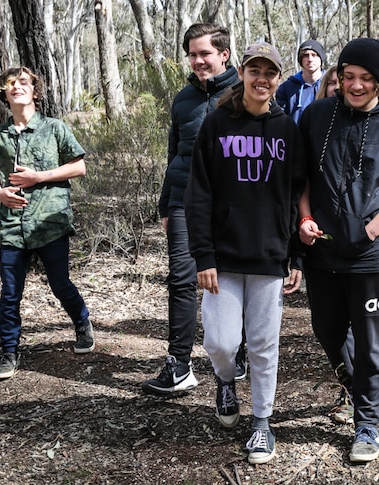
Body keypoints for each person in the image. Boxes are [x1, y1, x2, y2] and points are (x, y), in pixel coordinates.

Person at [298, 38, 379, 463]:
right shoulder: (317, 116)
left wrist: (371, 229)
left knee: (371, 343)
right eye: (348, 76)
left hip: (371, 254)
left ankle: (367, 425)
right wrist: (303, 219)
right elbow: (300, 179)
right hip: (322, 250)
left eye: (365, 79)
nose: (354, 86)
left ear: (378, 80)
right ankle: (353, 388)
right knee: (327, 330)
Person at [186, 41, 304, 464]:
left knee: (263, 343)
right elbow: (197, 193)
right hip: (223, 257)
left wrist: (296, 256)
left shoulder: (287, 128)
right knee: (220, 342)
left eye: (270, 72)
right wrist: (203, 256)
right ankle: (224, 380)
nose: (262, 79)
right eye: (254, 70)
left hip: (270, 256)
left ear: (277, 79)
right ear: (241, 73)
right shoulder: (217, 124)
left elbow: (295, 196)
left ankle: (261, 424)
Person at [143, 23, 241, 395]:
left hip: (232, 204)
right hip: (185, 200)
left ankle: (237, 351)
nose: (198, 60)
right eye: (192, 54)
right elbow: (175, 156)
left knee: (233, 278)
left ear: (223, 54)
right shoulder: (183, 99)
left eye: (205, 53)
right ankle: (179, 364)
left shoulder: (244, 94)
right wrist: (166, 205)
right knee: (182, 279)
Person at [0, 66, 94, 381]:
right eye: (11, 84)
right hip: (12, 226)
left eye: (24, 83)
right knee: (10, 292)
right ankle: (9, 352)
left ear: (35, 91)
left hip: (49, 221)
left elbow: (79, 166)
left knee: (60, 284)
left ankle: (82, 322)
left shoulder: (54, 128)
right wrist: (0, 193)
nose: (17, 87)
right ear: (4, 94)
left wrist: (38, 177)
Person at [276, 40, 326, 123]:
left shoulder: (331, 84)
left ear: (321, 58)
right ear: (301, 60)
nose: (310, 59)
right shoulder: (286, 88)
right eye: (306, 55)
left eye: (314, 55)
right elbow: (280, 119)